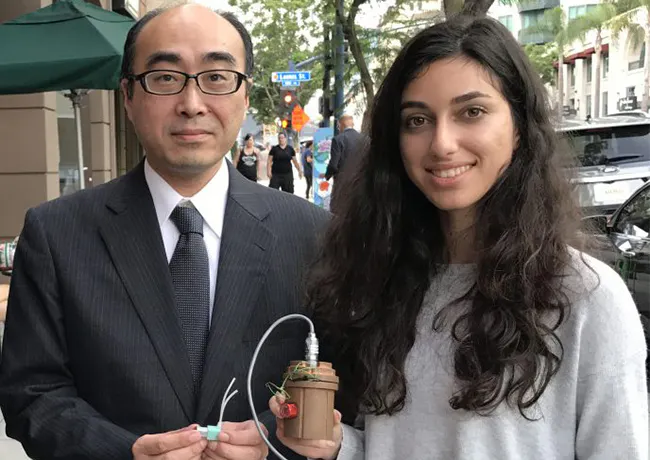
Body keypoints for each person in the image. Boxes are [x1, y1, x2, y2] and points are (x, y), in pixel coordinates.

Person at [270, 16, 648, 460]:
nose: (442, 143)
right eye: (417, 120)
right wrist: (337, 446)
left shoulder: (587, 299)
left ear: (519, 126)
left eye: (472, 112)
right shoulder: (380, 280)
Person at [0, 5, 327, 460]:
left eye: (217, 77)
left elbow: (345, 382)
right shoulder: (56, 234)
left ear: (245, 95)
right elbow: (31, 394)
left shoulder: (314, 234)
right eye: (165, 78)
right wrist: (125, 452)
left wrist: (277, 435)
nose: (192, 103)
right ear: (128, 97)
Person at [324, 114, 364, 182]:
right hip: (359, 181)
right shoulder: (364, 139)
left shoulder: (337, 140)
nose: (338, 128)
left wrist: (327, 176)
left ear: (341, 125)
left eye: (338, 126)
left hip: (343, 182)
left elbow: (333, 165)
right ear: (353, 124)